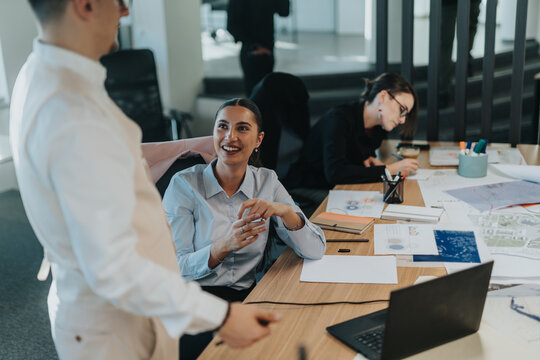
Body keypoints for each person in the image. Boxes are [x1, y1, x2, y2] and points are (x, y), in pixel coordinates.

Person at [10, 1, 279, 359]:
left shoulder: (44, 77)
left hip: (130, 306)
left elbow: (117, 163)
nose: (125, 12)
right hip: (117, 322)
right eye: (120, 2)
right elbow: (112, 265)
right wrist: (221, 316)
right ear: (86, 5)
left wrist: (191, 144)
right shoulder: (72, 112)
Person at [162, 98, 326, 359]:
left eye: (242, 128)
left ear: (259, 139)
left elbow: (315, 249)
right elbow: (174, 268)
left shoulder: (267, 181)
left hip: (248, 297)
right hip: (194, 303)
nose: (230, 137)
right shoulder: (184, 185)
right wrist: (222, 247)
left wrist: (286, 211)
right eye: (223, 127)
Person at [285, 72, 420, 192]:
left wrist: (369, 162)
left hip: (341, 188)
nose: (402, 120)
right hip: (308, 188)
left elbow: (356, 160)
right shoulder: (339, 118)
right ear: (383, 96)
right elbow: (335, 173)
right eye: (402, 109)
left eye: (406, 115)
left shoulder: (379, 126)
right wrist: (389, 170)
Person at [227, 0, 290, 96]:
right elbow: (231, 25)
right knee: (253, 97)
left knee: (267, 94)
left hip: (268, 49)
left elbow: (284, 12)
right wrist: (254, 47)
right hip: (251, 52)